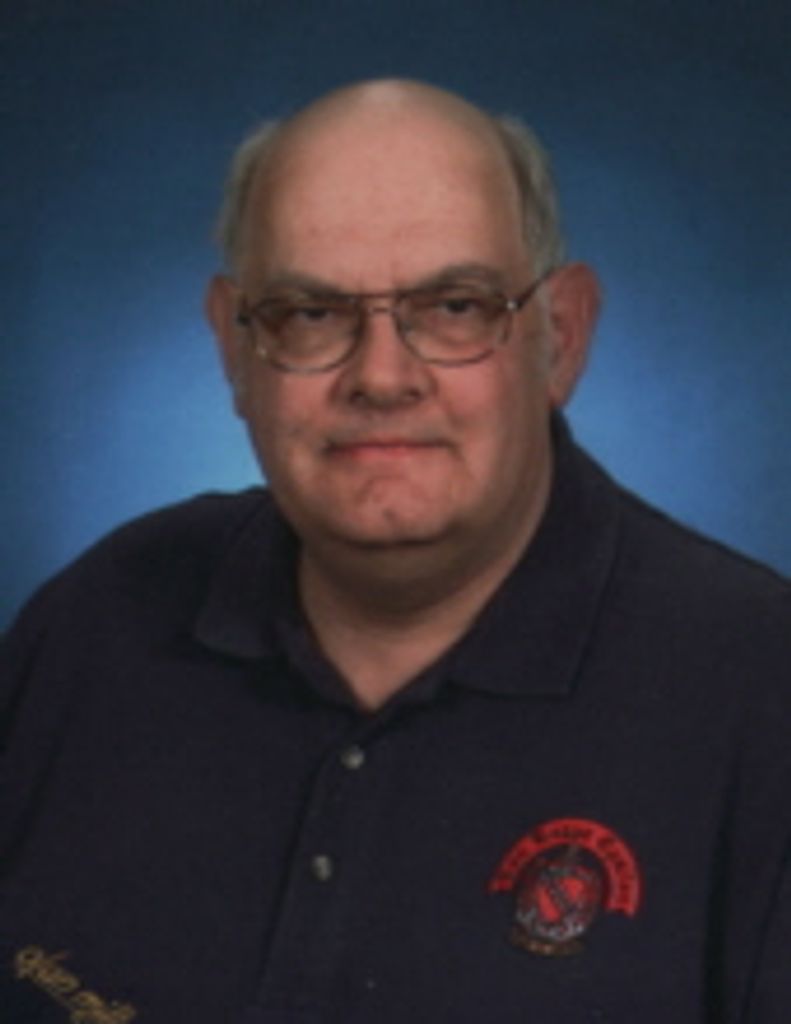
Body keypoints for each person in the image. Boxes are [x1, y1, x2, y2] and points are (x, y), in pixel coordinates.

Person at [1, 79, 789, 1024]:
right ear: (233, 349)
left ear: (561, 337)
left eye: (455, 306)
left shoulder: (763, 696)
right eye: (309, 313)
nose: (381, 376)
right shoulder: (97, 619)